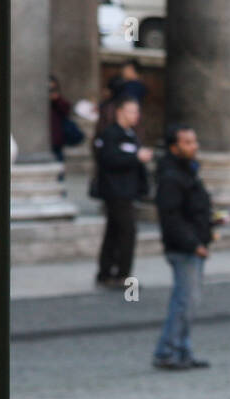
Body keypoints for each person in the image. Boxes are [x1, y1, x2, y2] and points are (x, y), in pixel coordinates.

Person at [153, 124, 215, 370]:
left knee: (188, 301)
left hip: (194, 242)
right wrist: (193, 243)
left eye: (194, 141)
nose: (194, 146)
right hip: (184, 248)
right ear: (174, 147)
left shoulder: (187, 171)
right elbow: (171, 217)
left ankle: (182, 350)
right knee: (185, 301)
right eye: (188, 142)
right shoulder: (171, 177)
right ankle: (167, 351)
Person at [92, 97, 152, 288]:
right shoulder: (111, 134)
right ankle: (122, 274)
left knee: (114, 231)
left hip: (128, 190)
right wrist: (136, 157)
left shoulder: (131, 134)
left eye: (137, 112)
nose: (135, 115)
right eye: (131, 111)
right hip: (116, 191)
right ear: (120, 112)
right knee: (127, 232)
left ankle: (106, 272)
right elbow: (109, 159)